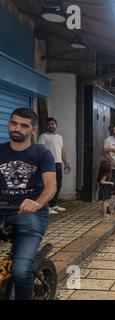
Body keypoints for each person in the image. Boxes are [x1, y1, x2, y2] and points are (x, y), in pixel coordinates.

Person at [0, 108, 57, 300]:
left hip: (31, 214)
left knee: (20, 270)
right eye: (14, 123)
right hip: (2, 210)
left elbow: (50, 187)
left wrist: (37, 202)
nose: (17, 128)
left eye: (24, 125)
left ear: (33, 129)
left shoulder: (42, 153)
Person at [38, 117, 70, 214]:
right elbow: (41, 150)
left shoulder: (60, 137)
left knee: (58, 185)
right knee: (48, 185)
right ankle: (46, 206)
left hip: (58, 163)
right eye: (49, 124)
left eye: (52, 124)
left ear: (56, 125)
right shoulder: (43, 136)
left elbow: (61, 150)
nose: (51, 126)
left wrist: (66, 162)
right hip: (48, 164)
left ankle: (53, 204)